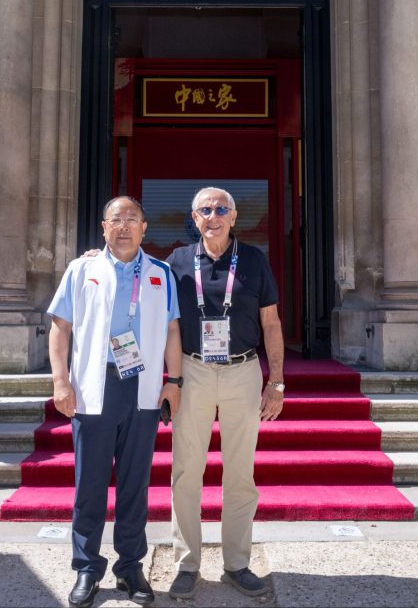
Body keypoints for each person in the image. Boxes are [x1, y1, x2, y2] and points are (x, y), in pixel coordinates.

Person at [47, 196, 183, 608]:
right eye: (115, 220)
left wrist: (173, 381)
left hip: (140, 388)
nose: (124, 226)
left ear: (145, 228)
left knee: (134, 485)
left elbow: (174, 331)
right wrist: (60, 381)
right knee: (89, 485)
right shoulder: (81, 269)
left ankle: (130, 567)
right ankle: (87, 568)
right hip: (93, 388)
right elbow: (60, 328)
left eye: (132, 219)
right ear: (103, 227)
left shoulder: (161, 273)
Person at [164, 187, 285, 599]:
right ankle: (187, 563)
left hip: (243, 371)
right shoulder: (177, 261)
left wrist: (277, 382)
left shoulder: (254, 260)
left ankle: (237, 563)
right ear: (194, 218)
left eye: (221, 209)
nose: (212, 216)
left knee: (239, 473)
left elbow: (271, 323)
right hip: (194, 370)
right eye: (204, 210)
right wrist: (95, 256)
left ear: (233, 217)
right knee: (186, 471)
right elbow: (146, 295)